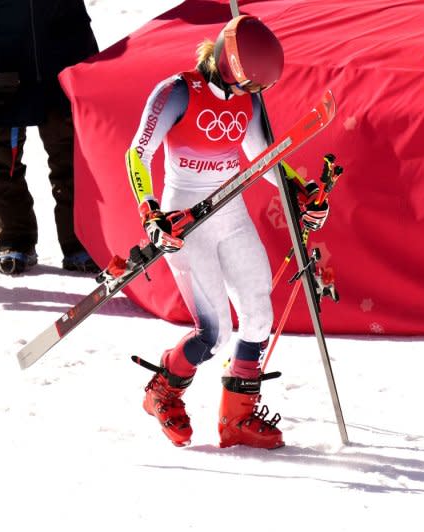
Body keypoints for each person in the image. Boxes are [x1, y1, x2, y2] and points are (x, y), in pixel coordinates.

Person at [126, 15, 330, 449]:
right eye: (250, 86)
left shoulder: (248, 101)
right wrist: (151, 213)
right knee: (213, 334)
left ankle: (236, 418)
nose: (252, 96)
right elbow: (137, 154)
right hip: (186, 216)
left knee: (258, 314)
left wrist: (299, 191)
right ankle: (163, 389)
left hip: (230, 210)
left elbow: (262, 157)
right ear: (228, 64)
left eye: (259, 90)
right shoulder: (176, 92)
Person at [0, 0, 101, 275]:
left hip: (63, 50)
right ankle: (14, 239)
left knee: (72, 156)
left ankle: (80, 241)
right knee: (2, 159)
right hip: (4, 55)